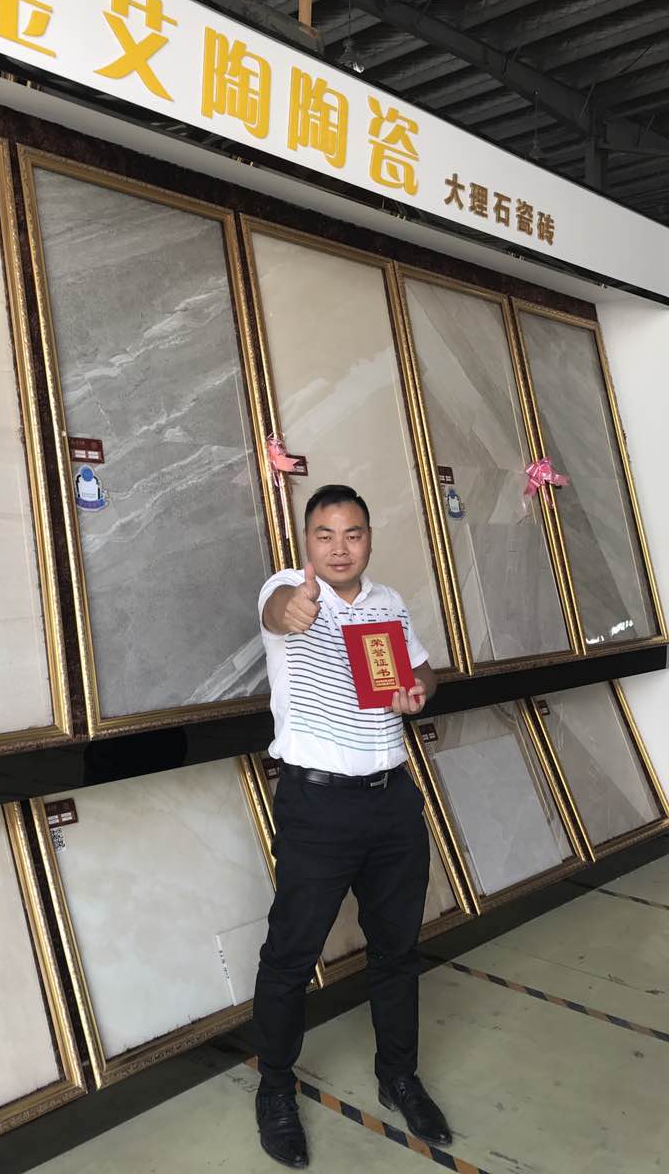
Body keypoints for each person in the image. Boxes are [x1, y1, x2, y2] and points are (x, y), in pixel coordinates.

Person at [251, 483, 451, 1169]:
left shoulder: (387, 601)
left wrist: (418, 691)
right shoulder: (286, 589)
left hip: (393, 800)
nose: (340, 548)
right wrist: (294, 607)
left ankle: (399, 1077)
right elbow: (280, 612)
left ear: (369, 538)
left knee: (397, 950)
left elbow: (422, 670)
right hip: (317, 808)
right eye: (325, 535)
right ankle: (275, 1090)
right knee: (290, 956)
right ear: (307, 541)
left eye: (353, 534)